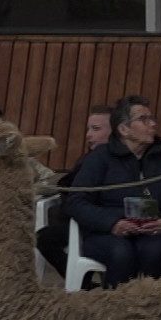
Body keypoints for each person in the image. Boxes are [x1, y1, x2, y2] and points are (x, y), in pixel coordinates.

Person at [66, 95, 161, 287]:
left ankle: (145, 304)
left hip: (152, 231)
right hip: (107, 232)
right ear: (123, 129)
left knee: (155, 251)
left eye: (152, 118)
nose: (152, 124)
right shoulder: (100, 158)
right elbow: (76, 201)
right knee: (121, 253)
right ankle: (115, 306)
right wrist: (112, 223)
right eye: (144, 119)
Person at [38, 105, 115, 282]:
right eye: (88, 129)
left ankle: (83, 285)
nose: (88, 135)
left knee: (44, 239)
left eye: (96, 129)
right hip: (76, 216)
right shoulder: (88, 158)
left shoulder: (104, 161)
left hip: (92, 221)